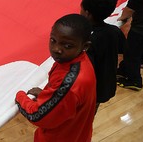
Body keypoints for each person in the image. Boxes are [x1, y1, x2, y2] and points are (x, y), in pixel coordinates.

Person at [15, 13, 96, 142]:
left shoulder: (70, 82)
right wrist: (48, 96)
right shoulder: (77, 61)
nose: (56, 49)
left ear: (85, 46)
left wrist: (20, 97)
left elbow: (37, 116)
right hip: (76, 133)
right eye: (53, 40)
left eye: (67, 46)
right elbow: (68, 99)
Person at [80, 0, 126, 113]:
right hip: (106, 86)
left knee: (82, 116)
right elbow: (122, 52)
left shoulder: (85, 40)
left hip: (89, 91)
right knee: (91, 112)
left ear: (87, 13)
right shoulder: (115, 31)